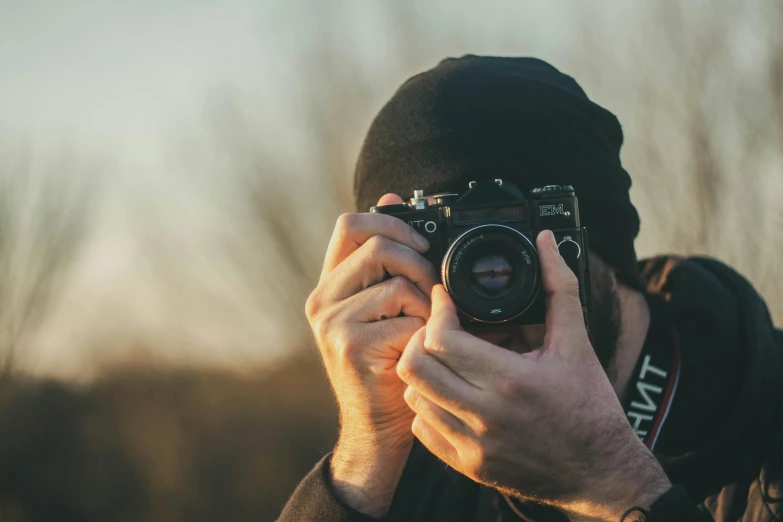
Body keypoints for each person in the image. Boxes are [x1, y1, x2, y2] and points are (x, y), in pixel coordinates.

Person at [278, 56, 783, 521]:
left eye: (514, 252)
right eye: (447, 262)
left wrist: (616, 483)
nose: (486, 294)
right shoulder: (414, 483)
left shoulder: (765, 419)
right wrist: (362, 463)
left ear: (597, 245)